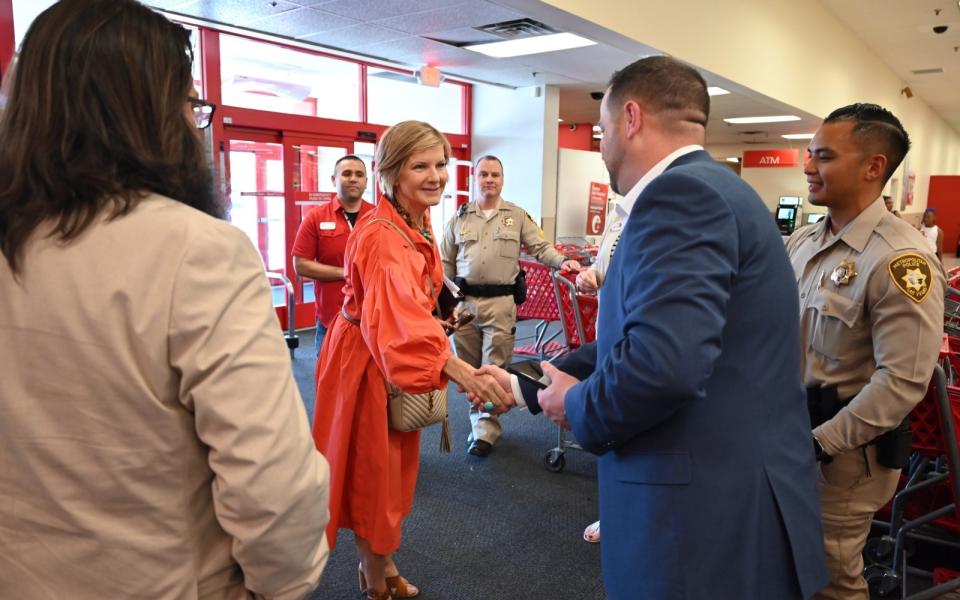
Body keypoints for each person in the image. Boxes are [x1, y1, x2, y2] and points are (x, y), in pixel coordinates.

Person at [0, 1, 330, 598]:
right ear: (146, 115)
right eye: (188, 104)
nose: (192, 122)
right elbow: (272, 484)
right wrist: (282, 587)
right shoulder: (197, 250)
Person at [478, 56, 829, 599]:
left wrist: (575, 407)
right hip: (730, 489)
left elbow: (665, 366)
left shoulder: (678, 197)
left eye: (601, 131)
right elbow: (648, 334)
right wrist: (528, 384)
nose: (600, 147)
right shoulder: (722, 190)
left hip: (701, 511)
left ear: (631, 118)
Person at [311, 121, 513, 600]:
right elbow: (395, 313)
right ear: (392, 173)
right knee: (371, 472)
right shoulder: (383, 235)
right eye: (419, 166)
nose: (435, 176)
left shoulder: (412, 221)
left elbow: (410, 300)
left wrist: (441, 312)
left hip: (388, 355)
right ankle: (372, 570)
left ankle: (379, 562)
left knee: (391, 470)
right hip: (366, 361)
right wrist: (463, 371)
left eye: (440, 164)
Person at [786, 103, 945, 600]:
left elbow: (901, 383)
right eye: (810, 154)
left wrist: (818, 443)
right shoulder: (804, 241)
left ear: (874, 167)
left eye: (825, 156)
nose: (809, 166)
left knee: (830, 578)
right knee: (787, 562)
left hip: (845, 459)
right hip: (789, 434)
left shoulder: (900, 260)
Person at [440, 155, 581, 457]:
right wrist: (445, 299)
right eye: (484, 174)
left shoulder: (516, 216)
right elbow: (444, 262)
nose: (489, 179)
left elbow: (540, 247)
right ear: (474, 179)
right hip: (464, 306)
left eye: (495, 175)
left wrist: (562, 261)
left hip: (501, 305)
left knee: (493, 368)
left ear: (502, 180)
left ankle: (485, 430)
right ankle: (479, 420)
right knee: (469, 371)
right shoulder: (460, 218)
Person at [574, 201, 626, 545]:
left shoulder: (665, 210)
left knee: (629, 428)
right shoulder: (618, 214)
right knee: (614, 429)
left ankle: (622, 512)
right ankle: (614, 509)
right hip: (608, 338)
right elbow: (602, 266)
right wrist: (591, 274)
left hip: (636, 345)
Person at [292, 155, 374, 354]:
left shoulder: (378, 216)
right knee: (330, 383)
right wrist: (346, 272)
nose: (353, 179)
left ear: (365, 182)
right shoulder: (316, 217)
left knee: (373, 384)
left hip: (372, 321)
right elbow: (301, 265)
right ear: (333, 180)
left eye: (359, 174)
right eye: (346, 174)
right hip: (331, 320)